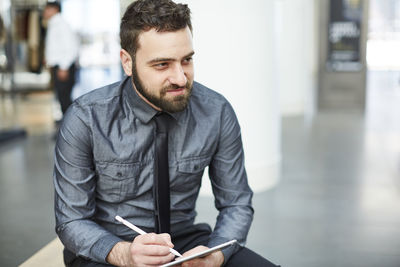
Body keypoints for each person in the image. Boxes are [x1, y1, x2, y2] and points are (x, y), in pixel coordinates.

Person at [53, 0, 280, 266]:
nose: (181, 78)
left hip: (182, 241)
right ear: (128, 62)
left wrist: (215, 254)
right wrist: (125, 253)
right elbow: (71, 220)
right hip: (110, 246)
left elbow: (236, 204)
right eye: (162, 65)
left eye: (187, 60)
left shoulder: (216, 112)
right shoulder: (86, 118)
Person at [43, 1, 79, 116]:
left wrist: (64, 67)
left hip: (63, 67)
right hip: (59, 66)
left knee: (65, 98)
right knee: (62, 97)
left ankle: (73, 126)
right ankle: (67, 123)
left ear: (55, 9)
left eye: (47, 9)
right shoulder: (53, 24)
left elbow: (70, 47)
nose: (45, 12)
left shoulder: (61, 25)